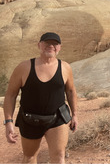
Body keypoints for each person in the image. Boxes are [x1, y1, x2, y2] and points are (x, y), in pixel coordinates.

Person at [3, 32, 78, 164]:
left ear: (59, 47)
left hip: (58, 119)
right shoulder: (24, 67)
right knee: (29, 157)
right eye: (47, 43)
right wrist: (8, 121)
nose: (51, 46)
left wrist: (75, 115)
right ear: (39, 45)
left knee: (59, 156)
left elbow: (71, 91)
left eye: (55, 44)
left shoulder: (65, 67)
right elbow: (10, 95)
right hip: (30, 119)